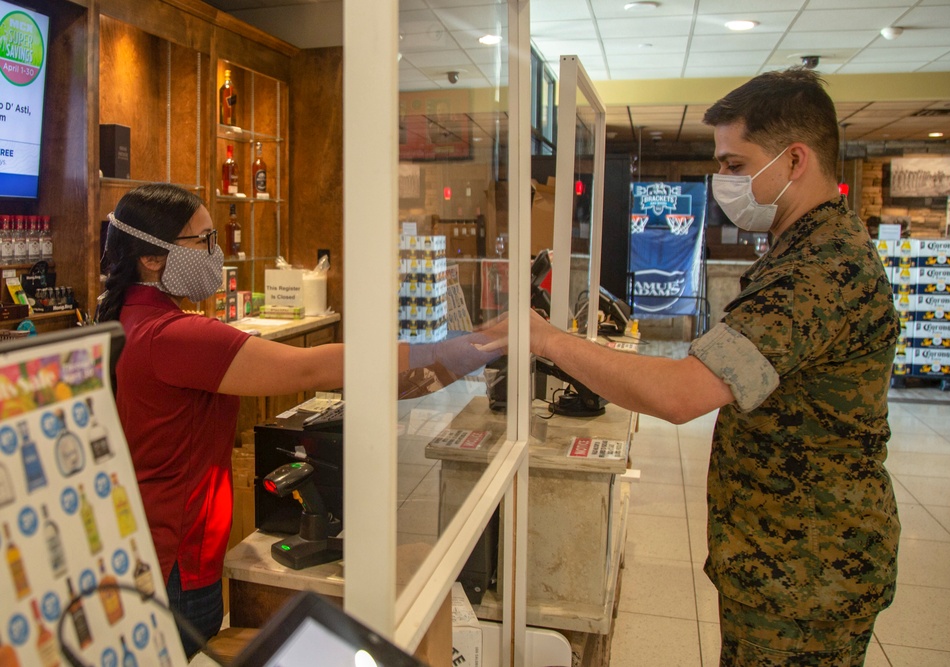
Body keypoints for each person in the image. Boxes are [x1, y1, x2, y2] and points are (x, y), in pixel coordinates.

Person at [530, 68, 900, 666]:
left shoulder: (820, 269)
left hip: (808, 573)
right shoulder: (806, 249)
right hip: (783, 557)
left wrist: (549, 342)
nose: (723, 180)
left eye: (734, 164)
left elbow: (684, 394)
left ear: (795, 160)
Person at [97, 183, 503, 658]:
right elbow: (308, 367)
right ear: (152, 257)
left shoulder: (128, 320)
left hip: (143, 545)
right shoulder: (175, 337)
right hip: (174, 559)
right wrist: (443, 349)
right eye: (203, 241)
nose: (216, 253)